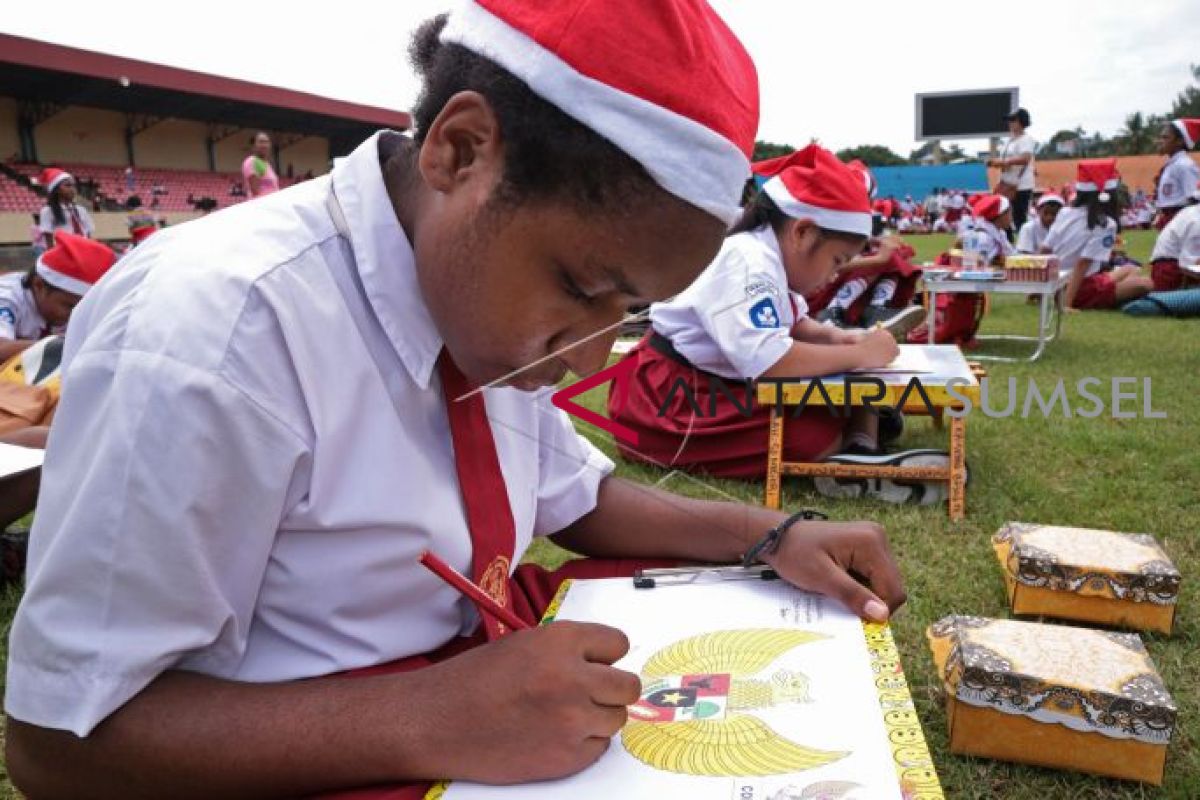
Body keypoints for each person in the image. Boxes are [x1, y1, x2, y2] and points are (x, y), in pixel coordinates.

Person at [4, 5, 906, 799]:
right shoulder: (213, 333)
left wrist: (771, 537)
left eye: (627, 312)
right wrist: (430, 715)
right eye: (582, 287)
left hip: (471, 690)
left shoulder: (475, 297)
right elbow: (59, 747)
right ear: (461, 150)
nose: (587, 353)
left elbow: (578, 496)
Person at [608, 144, 947, 501]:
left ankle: (861, 446)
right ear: (802, 233)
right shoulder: (748, 260)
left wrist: (837, 338)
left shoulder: (768, 255)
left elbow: (795, 321)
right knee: (811, 434)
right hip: (667, 400)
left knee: (841, 394)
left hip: (705, 381)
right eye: (836, 260)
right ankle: (856, 444)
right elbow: (769, 361)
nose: (835, 275)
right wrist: (860, 355)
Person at [1043, 160, 1153, 310]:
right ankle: (1110, 297)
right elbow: (1083, 264)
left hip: (1057, 283)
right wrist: (1067, 304)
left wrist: (1039, 289)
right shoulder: (1105, 224)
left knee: (1131, 269)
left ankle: (1113, 293)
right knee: (1146, 284)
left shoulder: (1065, 212)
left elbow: (1045, 249)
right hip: (1079, 287)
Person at [0, 231, 116, 362]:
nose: (74, 315)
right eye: (69, 306)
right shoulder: (6, 297)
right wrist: (60, 346)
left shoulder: (64, 306)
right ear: (39, 286)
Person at [988, 108, 1037, 230]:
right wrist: (997, 163)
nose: (1010, 123)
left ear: (1021, 122)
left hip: (1021, 185)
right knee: (1001, 215)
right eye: (1009, 120)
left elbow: (1025, 159)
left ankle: (1023, 245)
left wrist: (1004, 162)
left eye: (1013, 120)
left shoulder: (1026, 139)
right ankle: (1007, 243)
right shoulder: (1009, 141)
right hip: (1007, 182)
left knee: (1019, 217)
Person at [1148, 186, 1200, 291]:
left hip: (1170, 267)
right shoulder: (1196, 221)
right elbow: (1190, 267)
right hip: (1170, 272)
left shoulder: (1191, 211)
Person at [1152, 118, 1200, 230]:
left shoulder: (1184, 165)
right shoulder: (1172, 165)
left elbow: (1195, 199)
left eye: (1165, 137)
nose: (1159, 141)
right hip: (1171, 221)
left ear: (1179, 141)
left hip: (1181, 223)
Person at [37, 168, 94, 250]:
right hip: (64, 252)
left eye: (73, 185)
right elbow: (48, 240)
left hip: (83, 250)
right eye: (67, 185)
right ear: (56, 190)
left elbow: (88, 234)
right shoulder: (48, 211)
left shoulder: (81, 210)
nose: (72, 189)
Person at [242, 131, 281, 198]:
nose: (264, 145)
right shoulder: (252, 161)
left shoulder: (267, 164)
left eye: (267, 142)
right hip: (262, 206)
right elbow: (255, 193)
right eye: (261, 142)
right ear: (254, 145)